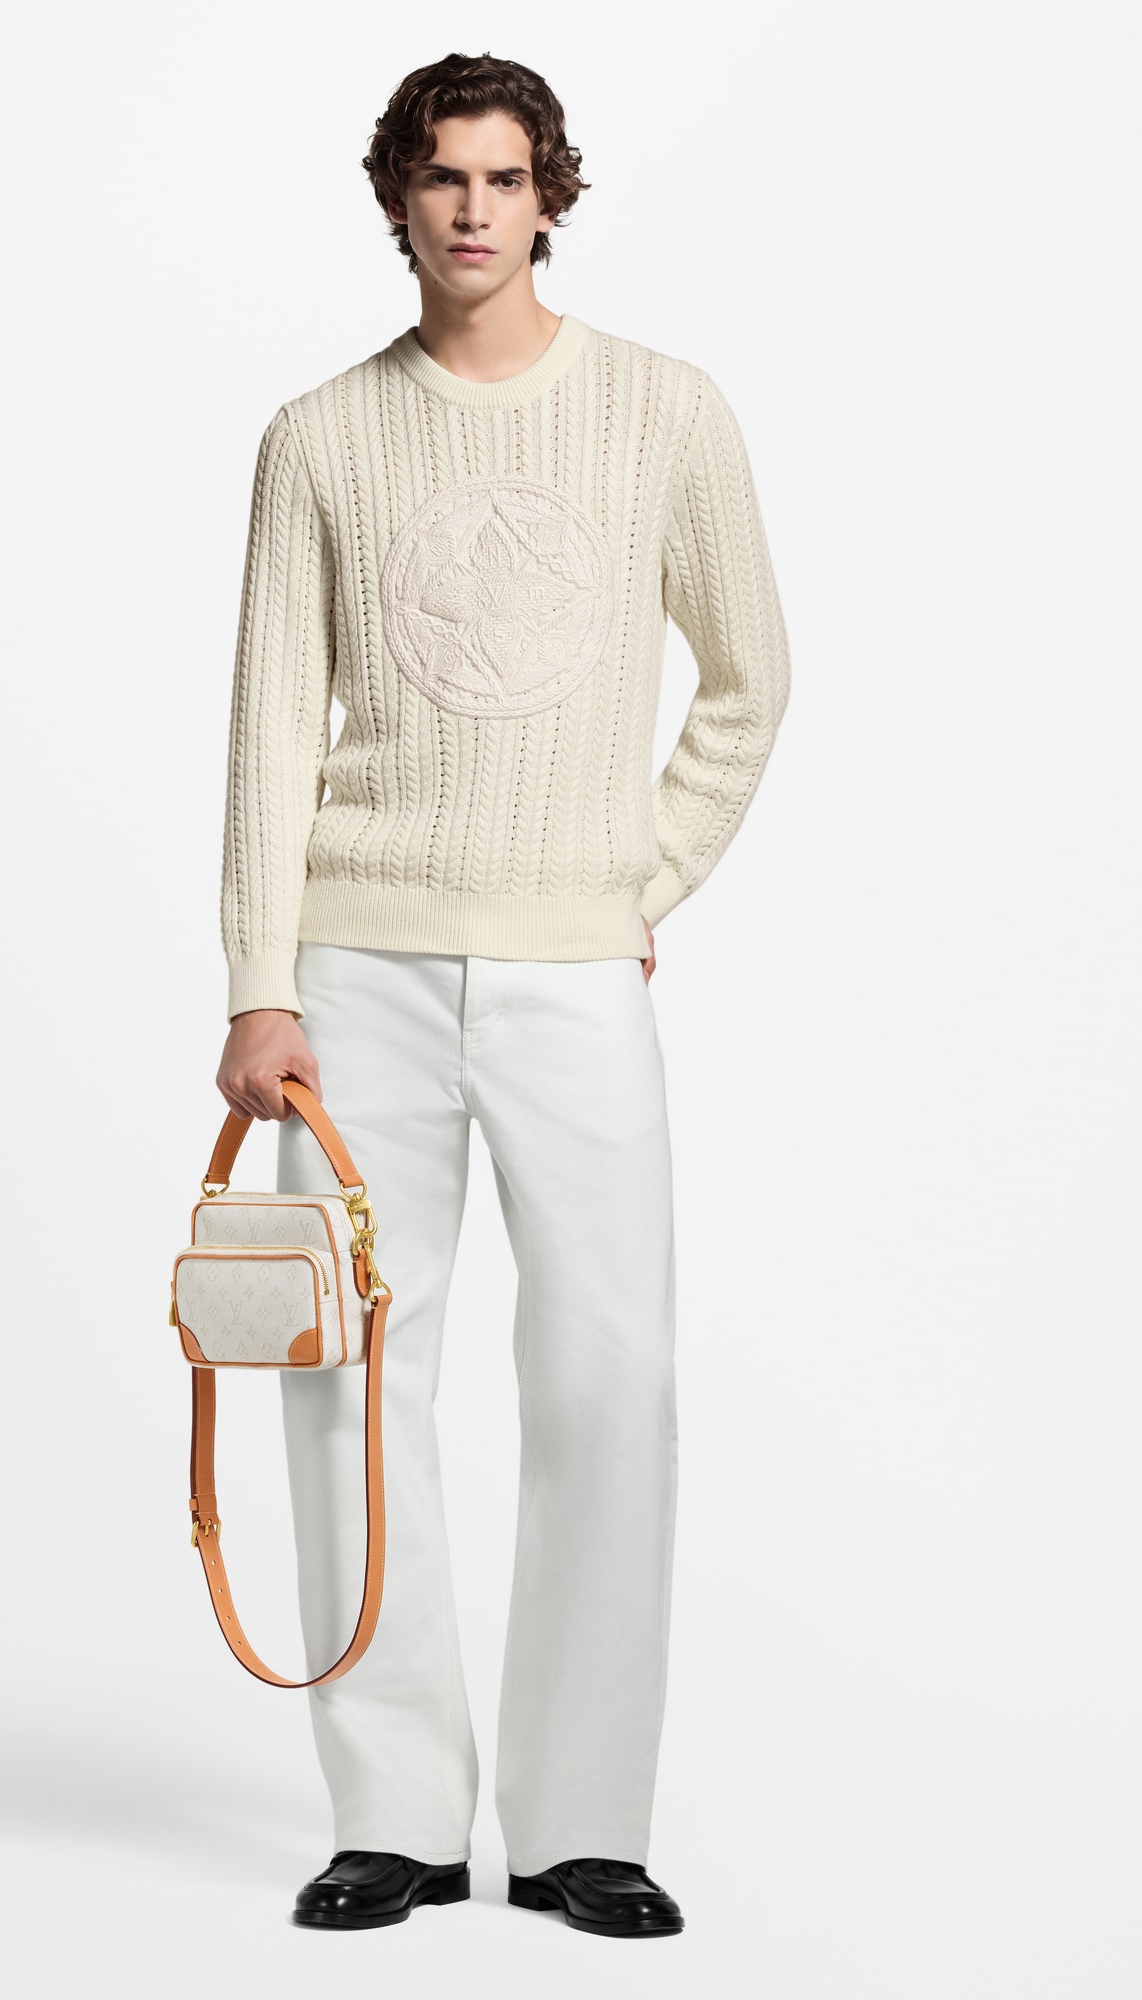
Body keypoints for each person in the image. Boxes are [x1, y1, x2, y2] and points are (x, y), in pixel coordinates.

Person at [212, 51, 788, 1938]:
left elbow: (750, 681)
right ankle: (389, 1812)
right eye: (442, 176)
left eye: (506, 176)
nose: (474, 208)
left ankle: (579, 1826)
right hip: (354, 971)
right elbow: (270, 727)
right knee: (350, 1377)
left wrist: (643, 880)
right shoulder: (319, 438)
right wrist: (261, 982)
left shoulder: (661, 413)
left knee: (612, 1375)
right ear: (398, 198)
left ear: (552, 196)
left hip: (572, 972)